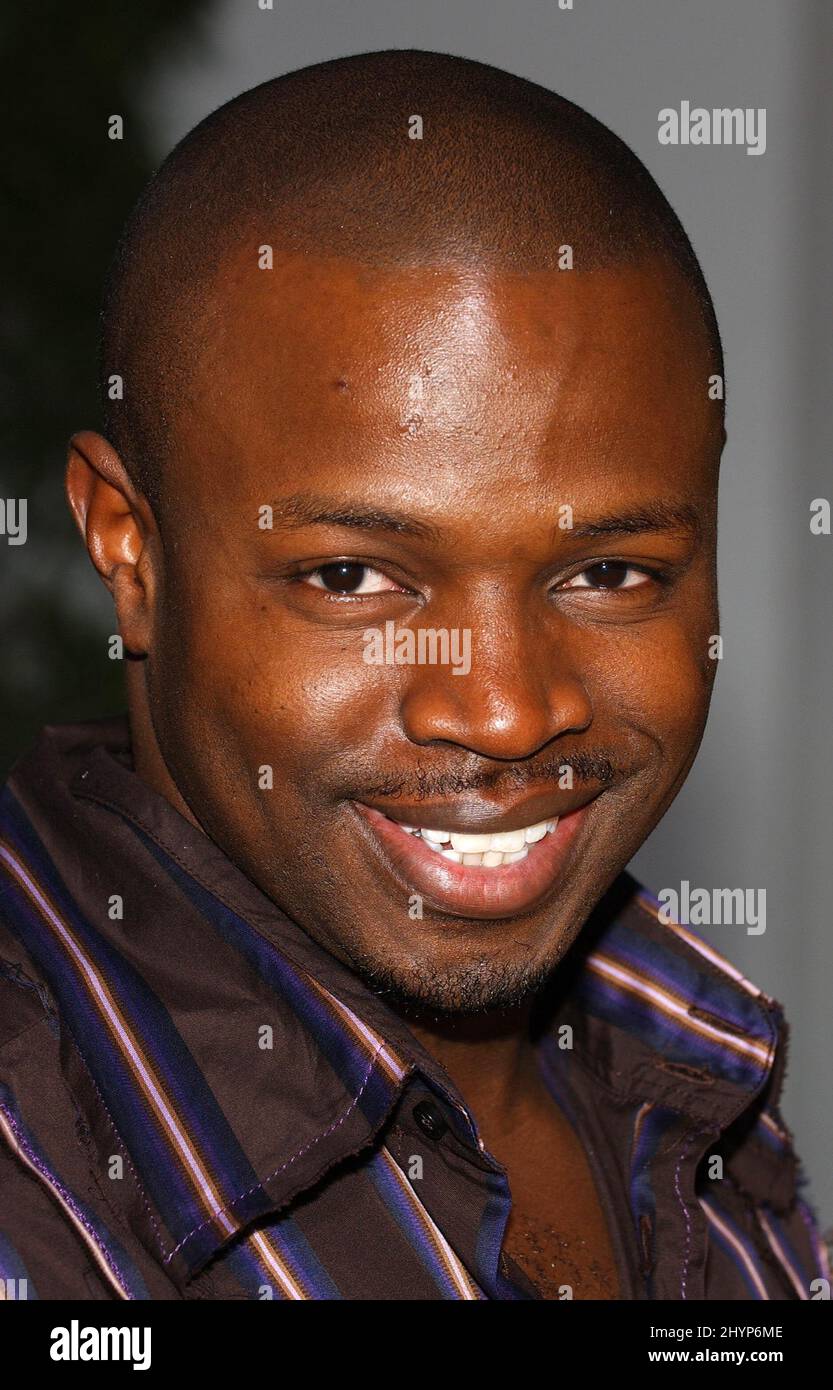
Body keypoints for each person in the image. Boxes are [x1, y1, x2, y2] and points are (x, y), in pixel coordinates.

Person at [0, 48, 827, 1301]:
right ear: (131, 548)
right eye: (351, 579)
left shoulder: (685, 1067)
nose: (503, 711)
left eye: (606, 574)